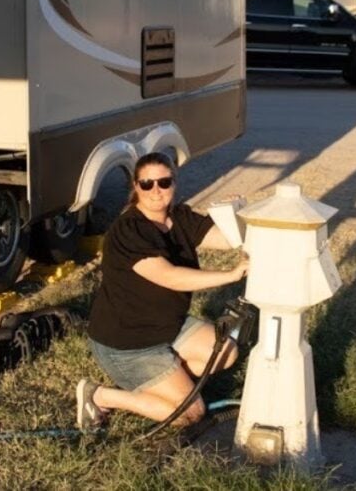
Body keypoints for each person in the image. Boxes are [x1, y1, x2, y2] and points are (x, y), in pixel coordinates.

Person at [76, 151, 248, 431]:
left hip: (168, 326)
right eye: (147, 184)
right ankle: (99, 394)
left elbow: (226, 239)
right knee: (191, 413)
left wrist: (235, 214)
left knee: (226, 351)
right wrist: (229, 275)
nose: (156, 190)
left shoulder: (179, 217)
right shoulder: (128, 231)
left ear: (174, 183)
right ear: (136, 187)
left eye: (164, 182)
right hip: (127, 344)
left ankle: (167, 381)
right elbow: (170, 277)